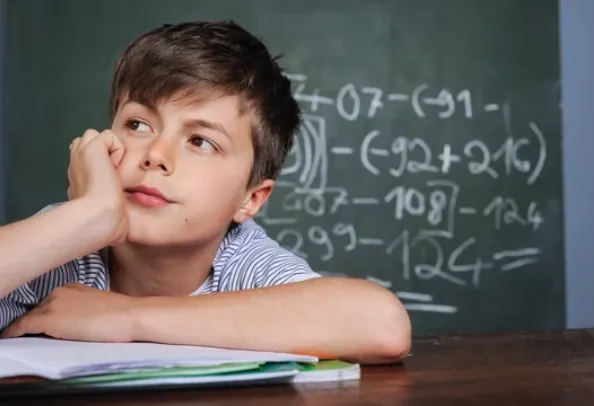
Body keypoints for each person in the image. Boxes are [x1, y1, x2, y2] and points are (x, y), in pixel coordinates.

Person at [0, 21, 411, 364]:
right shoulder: (64, 240)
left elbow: (382, 325)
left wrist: (126, 316)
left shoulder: (241, 262)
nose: (156, 155)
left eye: (200, 142)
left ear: (250, 199)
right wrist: (90, 216)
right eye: (138, 125)